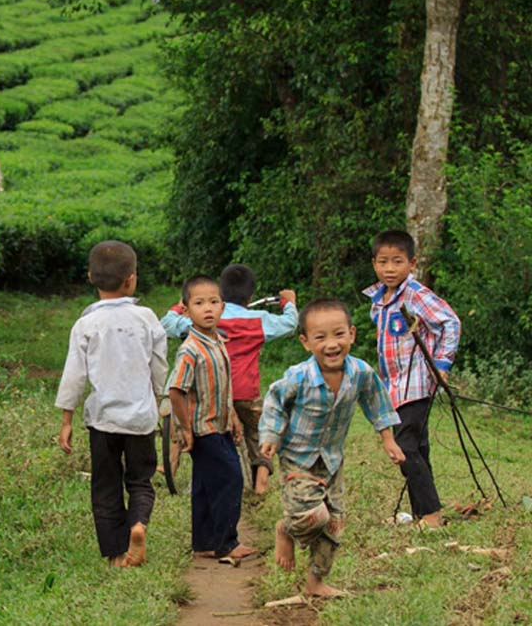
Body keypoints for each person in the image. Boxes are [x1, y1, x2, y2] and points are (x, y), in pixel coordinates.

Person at [260, 298, 405, 597]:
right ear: (305, 342)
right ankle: (286, 529)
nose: (331, 344)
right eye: (320, 337)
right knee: (315, 516)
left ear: (352, 334)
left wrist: (388, 439)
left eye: (339, 334)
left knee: (335, 524)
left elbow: (377, 402)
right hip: (298, 458)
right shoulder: (299, 376)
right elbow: (274, 401)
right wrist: (271, 436)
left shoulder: (361, 373)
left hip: (332, 459)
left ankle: (316, 583)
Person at [56, 241, 168, 568]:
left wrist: (66, 420)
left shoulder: (86, 325)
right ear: (131, 280)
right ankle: (138, 525)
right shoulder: (147, 318)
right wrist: (159, 402)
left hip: (102, 420)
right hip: (141, 419)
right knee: (140, 481)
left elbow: (74, 375)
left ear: (91, 277)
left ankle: (117, 554)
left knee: (105, 487)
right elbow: (159, 367)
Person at [161, 264, 298, 494]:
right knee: (258, 432)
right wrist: (288, 302)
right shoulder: (259, 320)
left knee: (193, 423)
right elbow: (290, 323)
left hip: (210, 394)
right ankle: (260, 478)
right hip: (246, 392)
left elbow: (167, 324)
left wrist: (180, 306)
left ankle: (173, 465)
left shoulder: (201, 320)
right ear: (251, 295)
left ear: (220, 296)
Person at [364, 229, 460, 529]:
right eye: (383, 262)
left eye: (397, 262)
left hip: (416, 385)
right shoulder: (379, 300)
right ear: (374, 264)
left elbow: (450, 323)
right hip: (395, 387)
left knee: (405, 448)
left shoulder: (416, 294)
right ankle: (425, 513)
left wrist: (442, 363)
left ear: (412, 263)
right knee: (418, 448)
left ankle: (430, 514)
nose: (389, 269)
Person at [167, 275, 256, 561]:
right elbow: (176, 390)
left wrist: (234, 418)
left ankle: (203, 542)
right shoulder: (190, 349)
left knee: (205, 485)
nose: (208, 309)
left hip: (220, 425)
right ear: (185, 309)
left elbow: (223, 386)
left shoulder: (219, 342)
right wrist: (185, 428)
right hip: (203, 429)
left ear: (223, 306)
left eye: (214, 302)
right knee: (232, 478)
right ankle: (227, 542)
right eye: (199, 303)